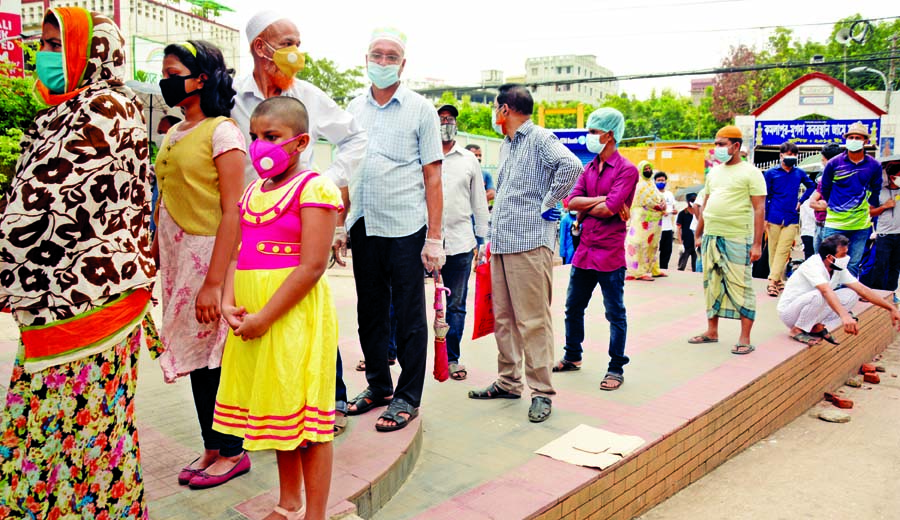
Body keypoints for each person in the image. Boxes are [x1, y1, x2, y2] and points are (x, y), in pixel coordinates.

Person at [0, 8, 158, 518]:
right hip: (74, 301)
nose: (41, 55)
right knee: (65, 434)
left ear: (88, 52)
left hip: (90, 301)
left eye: (52, 44)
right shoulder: (71, 110)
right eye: (41, 44)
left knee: (76, 435)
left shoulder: (103, 110)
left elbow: (42, 203)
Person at [232, 10, 368, 435]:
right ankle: (272, 410)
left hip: (300, 216)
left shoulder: (307, 94)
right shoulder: (233, 97)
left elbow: (355, 136)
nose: (297, 54)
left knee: (307, 304)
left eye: (298, 44)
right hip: (253, 216)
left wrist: (325, 182)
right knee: (262, 311)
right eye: (288, 43)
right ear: (260, 48)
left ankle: (332, 401)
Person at [213, 97, 340, 520]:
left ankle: (314, 515)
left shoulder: (314, 187)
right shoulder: (252, 191)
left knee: (308, 425)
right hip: (253, 317)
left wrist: (265, 318)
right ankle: (288, 504)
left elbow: (312, 266)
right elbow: (237, 255)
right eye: (254, 137)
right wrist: (229, 303)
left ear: (300, 141)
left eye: (271, 137)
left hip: (292, 319)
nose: (259, 146)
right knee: (280, 417)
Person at [152, 40, 249, 488]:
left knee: (215, 357)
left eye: (174, 72)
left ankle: (233, 451)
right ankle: (211, 445)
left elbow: (234, 209)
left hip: (209, 257)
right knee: (195, 356)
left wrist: (215, 283)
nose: (167, 80)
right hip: (177, 262)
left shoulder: (224, 132)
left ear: (201, 79)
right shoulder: (174, 133)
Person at [344, 28, 444, 433]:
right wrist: (339, 225)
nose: (383, 62)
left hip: (405, 225)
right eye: (377, 55)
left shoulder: (421, 110)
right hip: (363, 222)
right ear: (366, 58)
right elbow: (348, 168)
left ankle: (407, 396)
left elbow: (432, 176)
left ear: (403, 65)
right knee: (368, 311)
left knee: (408, 316)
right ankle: (378, 386)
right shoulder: (353, 107)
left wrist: (434, 239)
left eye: (391, 57)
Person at [467, 84, 582, 423]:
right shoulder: (507, 145)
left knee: (532, 321)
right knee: (504, 318)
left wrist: (549, 203)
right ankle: (508, 381)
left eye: (495, 108)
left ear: (504, 110)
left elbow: (571, 167)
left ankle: (542, 392)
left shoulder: (540, 139)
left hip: (530, 243)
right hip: (503, 243)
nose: (494, 115)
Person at [551, 108, 637, 392]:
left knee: (615, 313)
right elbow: (571, 202)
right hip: (584, 252)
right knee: (573, 307)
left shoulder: (627, 170)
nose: (589, 137)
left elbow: (610, 208)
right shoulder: (588, 168)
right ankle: (572, 356)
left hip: (610, 254)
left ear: (609, 134)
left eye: (593, 132)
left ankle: (615, 367)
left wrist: (596, 203)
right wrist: (600, 201)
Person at [689, 126, 766, 355]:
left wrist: (756, 243)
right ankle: (712, 331)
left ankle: (744, 337)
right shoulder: (714, 173)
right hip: (712, 235)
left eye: (722, 144)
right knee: (711, 283)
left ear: (736, 146)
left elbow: (759, 208)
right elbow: (707, 203)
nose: (718, 148)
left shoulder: (751, 173)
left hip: (737, 237)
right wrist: (698, 233)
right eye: (716, 144)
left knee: (741, 285)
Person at [437, 104, 489, 381]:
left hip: (459, 243)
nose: (446, 123)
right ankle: (398, 353)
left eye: (450, 119)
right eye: (441, 119)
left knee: (455, 304)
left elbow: (479, 203)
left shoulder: (468, 160)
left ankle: (452, 358)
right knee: (406, 301)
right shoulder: (423, 154)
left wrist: (483, 241)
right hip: (423, 242)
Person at [778, 234, 900, 346]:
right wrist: (844, 316)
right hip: (790, 313)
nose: (846, 257)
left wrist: (891, 308)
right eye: (843, 255)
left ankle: (815, 326)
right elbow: (826, 291)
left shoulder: (838, 268)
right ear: (830, 257)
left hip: (810, 307)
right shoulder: (813, 265)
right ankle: (797, 330)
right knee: (820, 295)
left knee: (851, 294)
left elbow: (862, 289)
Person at [820, 122, 882, 277]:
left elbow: (876, 189)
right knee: (829, 260)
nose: (854, 140)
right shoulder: (834, 163)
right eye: (851, 137)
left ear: (865, 141)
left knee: (853, 263)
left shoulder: (874, 165)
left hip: (860, 224)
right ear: (846, 139)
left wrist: (869, 208)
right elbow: (825, 188)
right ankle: (826, 294)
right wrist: (834, 205)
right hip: (835, 221)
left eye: (858, 137)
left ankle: (849, 296)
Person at [762, 141, 816, 296]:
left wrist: (801, 200)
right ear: (781, 155)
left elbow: (811, 186)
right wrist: (765, 217)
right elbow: (766, 195)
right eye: (788, 154)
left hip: (791, 216)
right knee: (773, 249)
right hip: (774, 215)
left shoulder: (799, 173)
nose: (791, 157)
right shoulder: (771, 173)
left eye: (794, 154)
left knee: (783, 248)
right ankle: (778, 281)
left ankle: (772, 281)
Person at [625, 160, 666, 281]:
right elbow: (646, 201)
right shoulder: (639, 184)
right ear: (641, 170)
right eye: (645, 169)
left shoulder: (651, 184)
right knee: (639, 243)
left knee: (653, 244)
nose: (648, 171)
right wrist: (659, 206)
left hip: (653, 220)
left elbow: (659, 196)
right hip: (642, 219)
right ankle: (638, 272)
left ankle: (654, 269)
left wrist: (662, 202)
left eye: (649, 168)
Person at [868, 158, 900, 300]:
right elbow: (870, 212)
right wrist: (884, 207)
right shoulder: (879, 192)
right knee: (880, 265)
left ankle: (891, 293)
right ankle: (877, 294)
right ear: (892, 177)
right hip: (884, 235)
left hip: (899, 234)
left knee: (895, 266)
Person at [809, 143, 845, 254]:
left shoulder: (844, 180)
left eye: (823, 160)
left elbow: (839, 204)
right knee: (818, 260)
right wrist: (824, 205)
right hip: (819, 224)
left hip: (832, 225)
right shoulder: (824, 179)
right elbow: (812, 202)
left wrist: (826, 205)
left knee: (831, 259)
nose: (822, 163)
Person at [655, 171, 678, 272]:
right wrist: (660, 212)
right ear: (654, 182)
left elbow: (673, 207)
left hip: (668, 227)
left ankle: (664, 269)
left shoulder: (669, 194)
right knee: (654, 250)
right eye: (659, 180)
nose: (661, 182)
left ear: (666, 181)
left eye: (662, 180)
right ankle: (653, 269)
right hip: (656, 227)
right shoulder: (653, 194)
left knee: (667, 250)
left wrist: (674, 211)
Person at [677, 193, 699, 271]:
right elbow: (679, 229)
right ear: (687, 201)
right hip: (686, 244)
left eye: (695, 200)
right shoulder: (682, 214)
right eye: (691, 200)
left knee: (696, 267)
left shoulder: (699, 213)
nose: (693, 202)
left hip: (696, 243)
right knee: (681, 266)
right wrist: (680, 243)